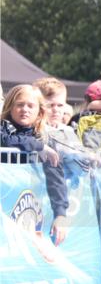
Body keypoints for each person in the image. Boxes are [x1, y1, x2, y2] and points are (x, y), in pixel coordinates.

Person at [0, 85, 69, 245]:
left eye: (30, 105)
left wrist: (60, 215)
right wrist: (39, 147)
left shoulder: (44, 137)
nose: (25, 109)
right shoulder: (3, 129)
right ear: (10, 107)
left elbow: (56, 180)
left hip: (26, 216)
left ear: (40, 111)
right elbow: (8, 141)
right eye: (19, 104)